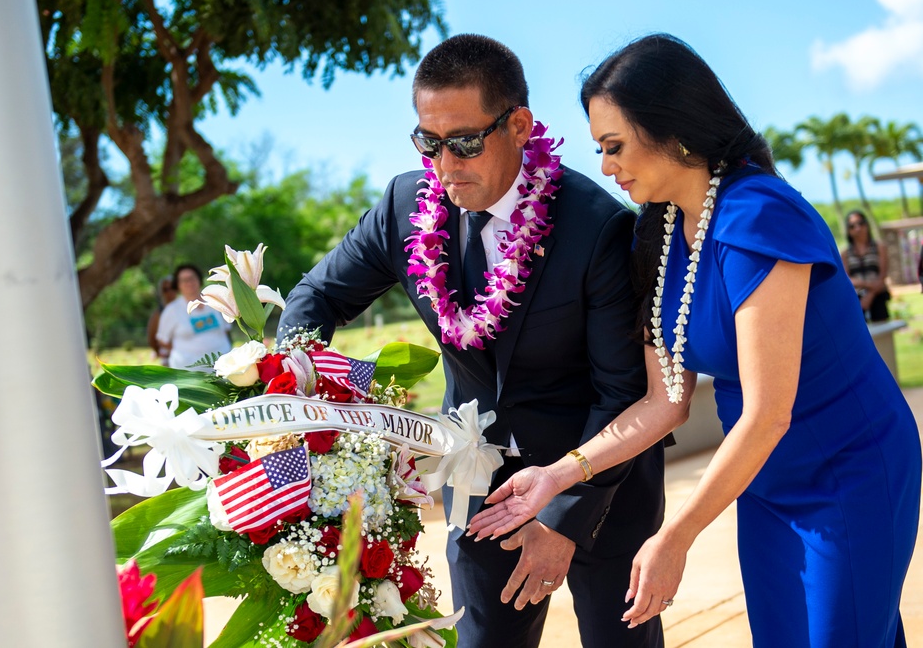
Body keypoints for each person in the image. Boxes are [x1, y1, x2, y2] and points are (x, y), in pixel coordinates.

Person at [468, 34, 921, 648]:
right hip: (763, 482)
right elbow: (666, 401)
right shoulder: (654, 238)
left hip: (848, 469)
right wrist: (558, 474)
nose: (606, 167)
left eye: (615, 146)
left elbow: (767, 412)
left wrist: (675, 534)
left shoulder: (759, 214)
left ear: (671, 130)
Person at [278, 34, 667, 647]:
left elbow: (621, 390)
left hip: (600, 483)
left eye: (463, 142)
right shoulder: (404, 206)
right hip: (479, 479)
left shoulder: (598, 226)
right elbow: (317, 297)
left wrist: (561, 520)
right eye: (427, 143)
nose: (444, 164)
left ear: (518, 125)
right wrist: (289, 380)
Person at [156, 263, 232, 370]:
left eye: (192, 278)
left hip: (224, 368)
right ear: (178, 285)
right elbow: (163, 340)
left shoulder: (216, 301)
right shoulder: (172, 310)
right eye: (184, 280)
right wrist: (186, 350)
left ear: (199, 279)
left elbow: (226, 328)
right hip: (189, 372)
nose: (189, 283)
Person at [841, 210, 890, 322]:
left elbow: (882, 276)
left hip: (878, 297)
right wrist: (867, 284)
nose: (858, 228)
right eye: (852, 226)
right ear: (848, 230)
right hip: (856, 300)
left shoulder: (879, 247)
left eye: (860, 223)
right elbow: (846, 279)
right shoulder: (845, 253)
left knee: (883, 335)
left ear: (866, 225)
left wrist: (870, 295)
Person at [146, 275, 176, 365]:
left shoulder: (186, 309)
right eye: (166, 289)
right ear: (162, 292)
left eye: (172, 288)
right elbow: (152, 338)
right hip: (168, 361)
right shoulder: (158, 314)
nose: (170, 292)